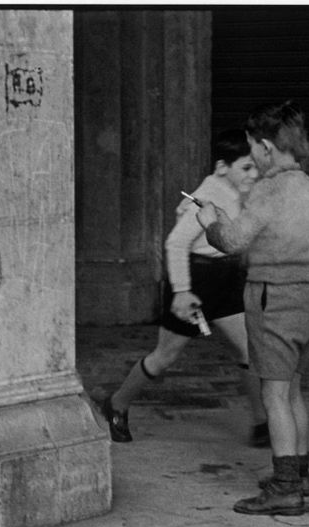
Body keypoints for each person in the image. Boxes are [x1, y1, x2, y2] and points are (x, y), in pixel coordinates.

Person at [101, 129, 266, 445]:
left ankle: (263, 423)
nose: (254, 174)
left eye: (256, 166)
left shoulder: (238, 193)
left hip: (225, 279)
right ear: (222, 168)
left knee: (249, 350)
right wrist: (182, 291)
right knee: (165, 356)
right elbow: (175, 243)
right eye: (246, 167)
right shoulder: (207, 197)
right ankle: (116, 405)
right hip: (195, 280)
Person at [197, 102, 309, 516]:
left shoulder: (271, 187)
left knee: (273, 394)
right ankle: (300, 473)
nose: (251, 158)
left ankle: (286, 488)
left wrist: (210, 220)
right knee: (293, 389)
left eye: (253, 149)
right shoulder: (305, 182)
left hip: (275, 297)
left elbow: (233, 241)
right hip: (308, 294)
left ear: (267, 147)